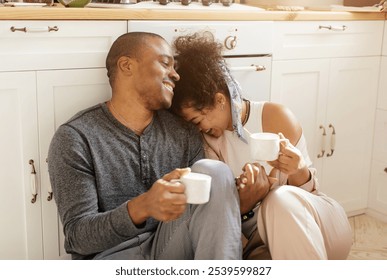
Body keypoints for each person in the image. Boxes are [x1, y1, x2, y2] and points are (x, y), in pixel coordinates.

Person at [47, 32, 242, 260]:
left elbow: (207, 216)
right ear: (126, 65)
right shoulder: (76, 138)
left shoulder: (183, 132)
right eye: (165, 63)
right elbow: (77, 237)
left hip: (171, 246)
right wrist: (143, 207)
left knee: (214, 172)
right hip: (113, 257)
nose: (175, 75)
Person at [170, 32, 353, 260]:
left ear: (219, 100)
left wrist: (297, 170)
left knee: (279, 200)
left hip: (319, 224)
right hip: (268, 242)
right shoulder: (207, 147)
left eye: (198, 120)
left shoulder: (274, 117)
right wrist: (245, 205)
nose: (198, 129)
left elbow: (309, 195)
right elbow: (222, 224)